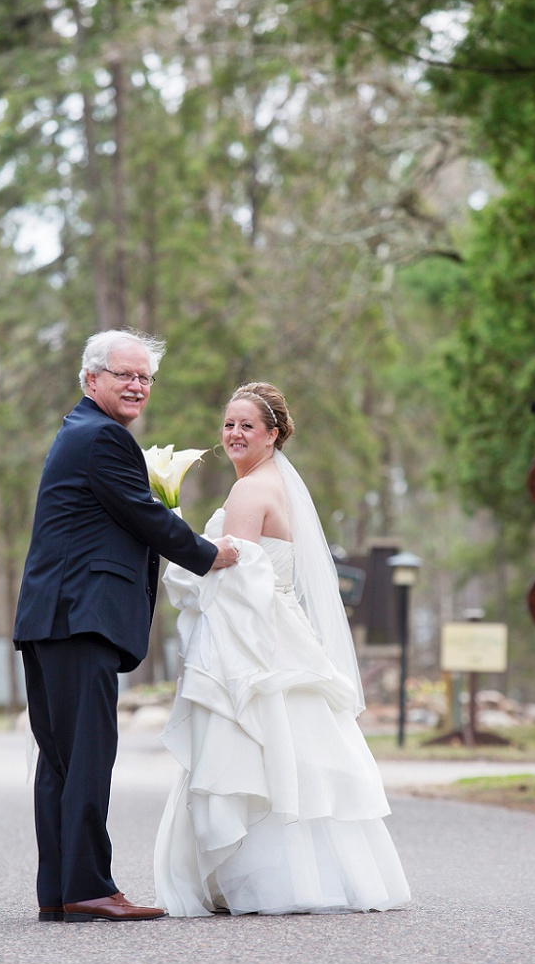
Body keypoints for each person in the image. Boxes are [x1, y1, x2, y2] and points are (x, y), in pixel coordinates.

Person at [154, 382, 411, 916]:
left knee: (254, 748)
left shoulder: (248, 491)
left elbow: (238, 580)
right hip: (281, 628)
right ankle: (325, 878)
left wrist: (182, 551)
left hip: (255, 636)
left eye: (248, 425)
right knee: (297, 751)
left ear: (273, 435)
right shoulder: (277, 485)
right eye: (228, 424)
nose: (234, 434)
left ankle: (259, 882)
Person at [13, 330, 239, 923]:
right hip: (77, 618)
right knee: (84, 756)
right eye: (124, 375)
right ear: (92, 380)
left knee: (61, 760)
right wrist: (207, 553)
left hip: (53, 618)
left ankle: (62, 890)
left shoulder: (82, 433)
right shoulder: (103, 437)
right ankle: (87, 888)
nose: (137, 385)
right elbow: (143, 516)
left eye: (145, 378)